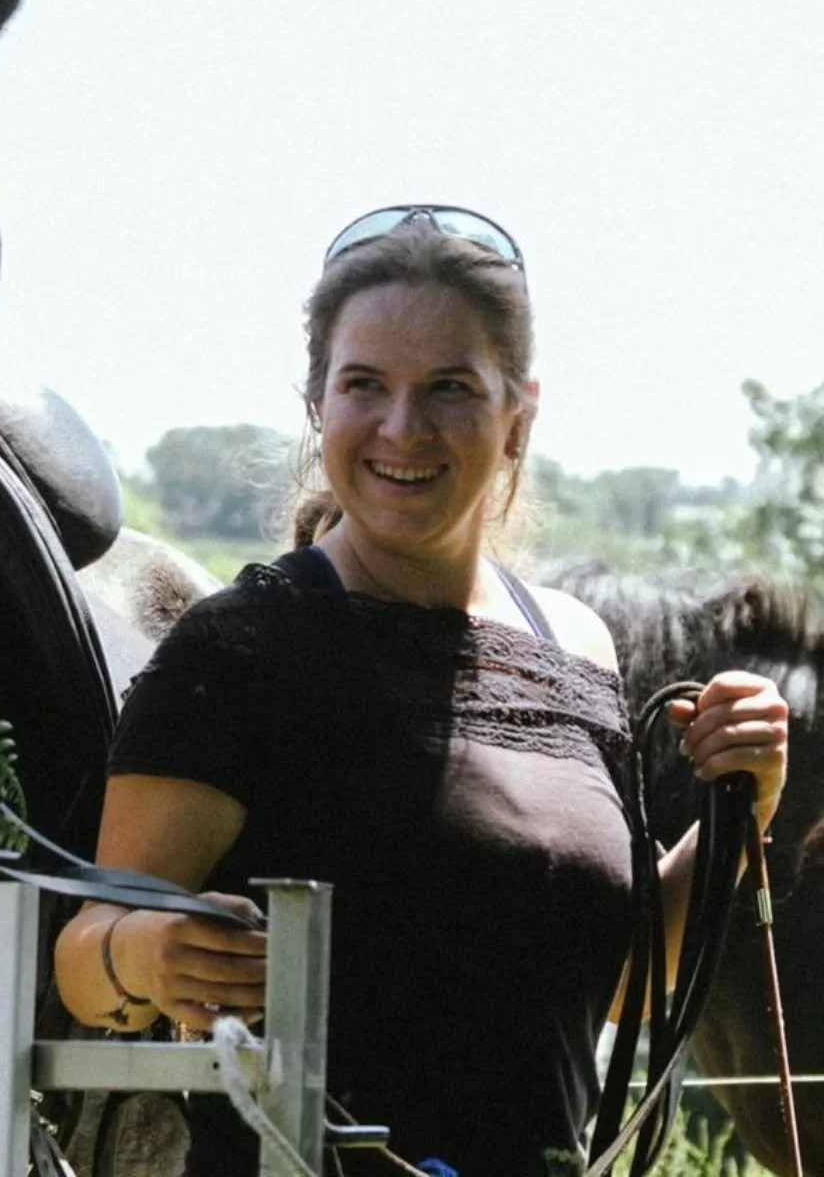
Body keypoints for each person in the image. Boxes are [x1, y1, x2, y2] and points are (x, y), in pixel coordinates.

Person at [53, 206, 790, 1176]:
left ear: (518, 414)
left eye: (449, 388)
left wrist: (745, 806)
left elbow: (617, 982)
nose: (404, 427)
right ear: (319, 403)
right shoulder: (237, 648)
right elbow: (86, 957)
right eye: (366, 385)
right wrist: (144, 954)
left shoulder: (575, 644)